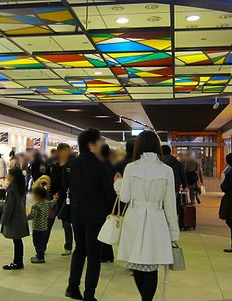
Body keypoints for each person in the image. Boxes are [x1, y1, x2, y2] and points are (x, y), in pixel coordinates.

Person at [114, 131, 179, 301]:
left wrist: (118, 184)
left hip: (134, 218)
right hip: (156, 220)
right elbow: (170, 204)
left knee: (136, 263)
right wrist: (174, 233)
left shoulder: (131, 167)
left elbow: (125, 197)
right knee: (151, 265)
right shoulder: (166, 170)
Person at [66, 128, 116, 301]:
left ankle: (72, 286)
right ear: (91, 145)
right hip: (95, 215)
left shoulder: (74, 163)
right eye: (99, 141)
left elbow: (69, 186)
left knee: (79, 249)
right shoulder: (100, 165)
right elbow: (108, 192)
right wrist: (113, 211)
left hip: (76, 213)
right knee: (94, 256)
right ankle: (89, 295)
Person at [45, 143, 74, 256]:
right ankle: (42, 247)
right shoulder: (53, 166)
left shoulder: (71, 165)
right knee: (48, 223)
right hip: (53, 199)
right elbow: (46, 179)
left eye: (68, 150)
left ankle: (68, 246)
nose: (67, 153)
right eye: (64, 151)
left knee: (66, 223)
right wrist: (47, 186)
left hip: (65, 199)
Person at [1, 167, 30, 270]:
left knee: (16, 240)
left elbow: (9, 207)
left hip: (14, 218)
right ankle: (18, 261)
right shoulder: (20, 187)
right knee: (18, 240)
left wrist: (4, 221)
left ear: (13, 176)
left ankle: (17, 262)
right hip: (20, 217)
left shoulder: (12, 189)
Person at [27, 186, 58, 263]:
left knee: (36, 243)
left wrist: (25, 217)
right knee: (41, 242)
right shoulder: (46, 203)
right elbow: (52, 203)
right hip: (44, 227)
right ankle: (41, 254)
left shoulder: (36, 206)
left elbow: (32, 216)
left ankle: (40, 257)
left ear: (37, 196)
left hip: (37, 228)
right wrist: (55, 199)